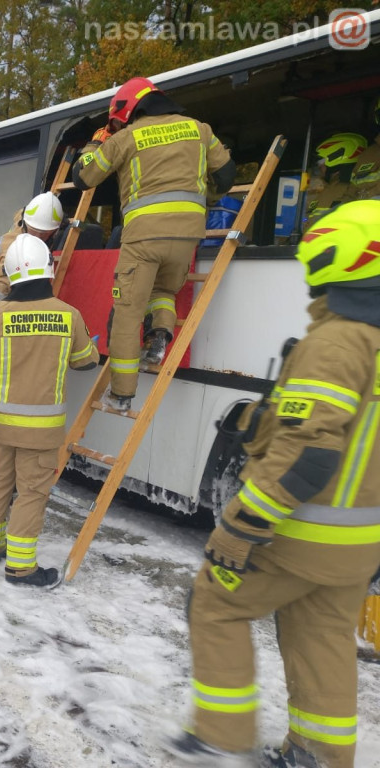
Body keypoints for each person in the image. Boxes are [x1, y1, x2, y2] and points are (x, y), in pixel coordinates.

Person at [165, 200, 380, 768]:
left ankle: (221, 734)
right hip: (358, 545)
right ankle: (318, 755)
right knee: (323, 638)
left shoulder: (338, 341)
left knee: (213, 603)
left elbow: (308, 454)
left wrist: (241, 525)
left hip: (300, 532)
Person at [72, 76, 235, 412]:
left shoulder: (126, 138)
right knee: (163, 292)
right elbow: (227, 175)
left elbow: (83, 176)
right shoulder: (198, 129)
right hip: (188, 236)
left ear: (128, 110)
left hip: (143, 239)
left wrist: (96, 142)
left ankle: (122, 395)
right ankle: (159, 336)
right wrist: (202, 198)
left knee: (127, 314)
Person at [0, 234, 99, 587]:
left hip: (0, 427)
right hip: (42, 431)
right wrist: (87, 347)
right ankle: (21, 568)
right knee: (31, 494)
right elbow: (85, 363)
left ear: (9, 273)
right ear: (48, 270)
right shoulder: (69, 315)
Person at [0, 192, 65, 340]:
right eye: (35, 232)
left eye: (45, 234)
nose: (38, 238)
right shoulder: (16, 248)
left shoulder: (26, 217)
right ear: (26, 223)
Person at [305, 132, 367, 226]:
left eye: (320, 162)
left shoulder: (343, 192)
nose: (319, 167)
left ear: (335, 160)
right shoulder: (329, 189)